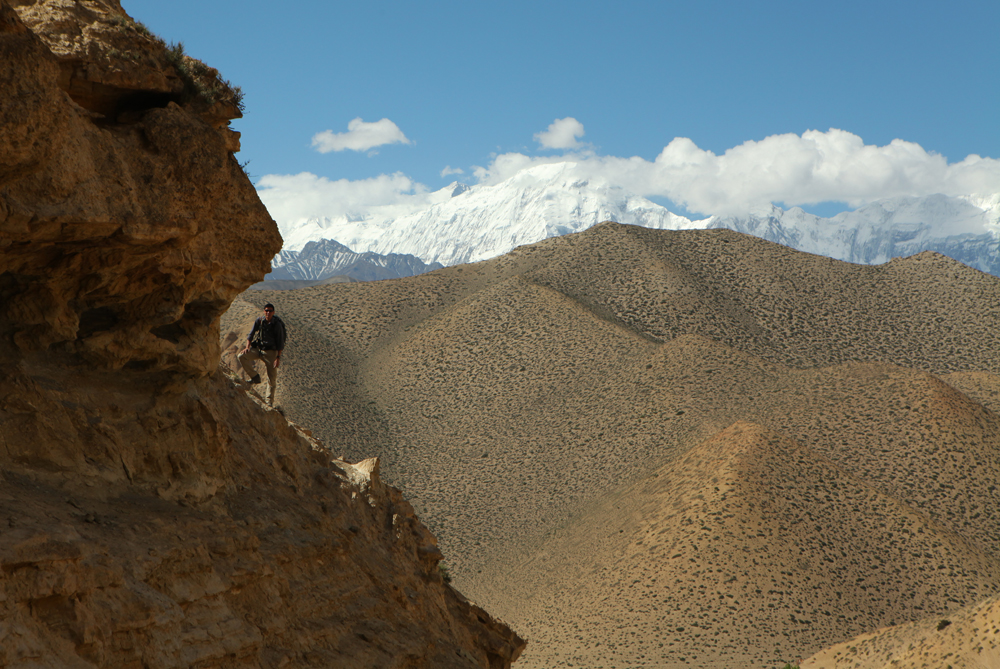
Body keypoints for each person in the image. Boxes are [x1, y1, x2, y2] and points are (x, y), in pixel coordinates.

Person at [238, 303, 287, 405]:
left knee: (272, 378)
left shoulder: (276, 325)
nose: (268, 312)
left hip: (271, 353)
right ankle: (255, 377)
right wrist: (247, 347)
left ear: (273, 312)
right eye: (266, 310)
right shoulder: (259, 321)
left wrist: (278, 357)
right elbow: (251, 334)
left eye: (270, 310)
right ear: (264, 311)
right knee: (241, 356)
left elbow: (280, 342)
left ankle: (269, 402)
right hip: (258, 349)